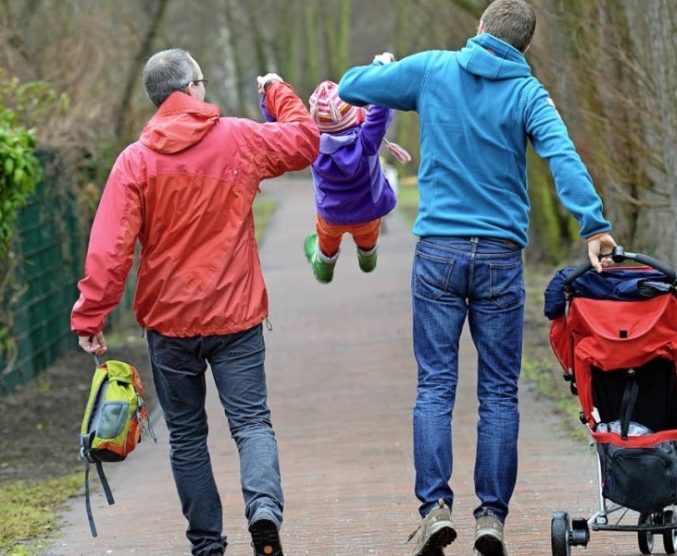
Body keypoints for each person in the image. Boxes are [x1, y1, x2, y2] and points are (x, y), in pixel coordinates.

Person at [337, 1, 617, 555]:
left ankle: (435, 508)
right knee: (498, 393)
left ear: (481, 28)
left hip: (438, 253)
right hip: (498, 258)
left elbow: (351, 86)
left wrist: (381, 66)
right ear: (524, 47)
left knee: (434, 386)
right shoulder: (528, 93)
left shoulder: (432, 69)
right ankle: (491, 517)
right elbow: (562, 156)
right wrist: (594, 225)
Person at [70, 48, 319, 556]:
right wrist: (276, 90)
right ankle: (263, 510)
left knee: (186, 437)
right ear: (191, 88)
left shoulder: (135, 161)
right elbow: (305, 141)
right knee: (251, 424)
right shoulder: (238, 138)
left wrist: (91, 314)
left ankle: (207, 545)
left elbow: (111, 248)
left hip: (169, 323)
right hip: (236, 315)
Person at [260, 79, 410, 283]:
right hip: (368, 213)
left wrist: (269, 93)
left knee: (326, 241)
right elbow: (381, 110)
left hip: (331, 216)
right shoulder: (367, 139)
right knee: (368, 236)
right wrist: (382, 69)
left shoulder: (310, 144)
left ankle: (324, 266)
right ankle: (367, 257)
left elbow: (281, 126)